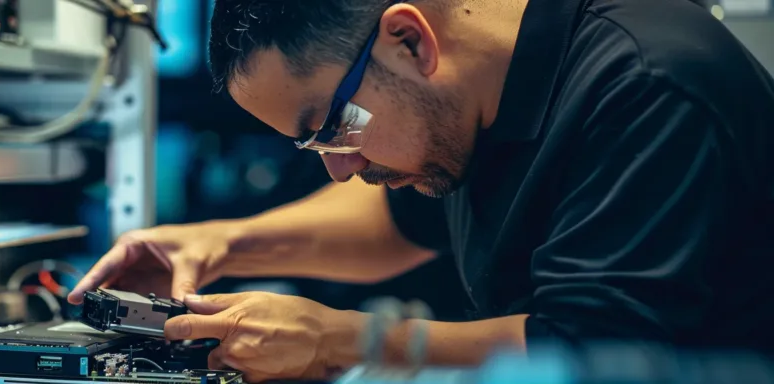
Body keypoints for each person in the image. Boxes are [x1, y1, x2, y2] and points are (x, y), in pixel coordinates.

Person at [68, 0, 774, 381]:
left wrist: (344, 339)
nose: (339, 168)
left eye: (332, 128)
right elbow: (401, 221)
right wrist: (224, 244)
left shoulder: (648, 84)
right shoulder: (478, 98)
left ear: (409, 40)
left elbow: (586, 349)